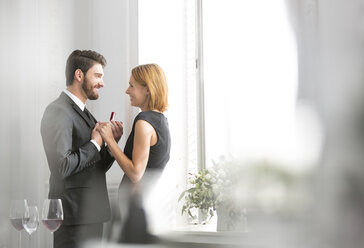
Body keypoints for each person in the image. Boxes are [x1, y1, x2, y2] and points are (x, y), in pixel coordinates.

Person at [40, 49, 123, 248]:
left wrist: (111, 145)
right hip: (73, 218)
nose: (102, 83)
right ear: (79, 75)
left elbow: (94, 167)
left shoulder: (85, 113)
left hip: (91, 214)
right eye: (98, 76)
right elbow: (62, 166)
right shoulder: (57, 111)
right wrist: (95, 143)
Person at [97, 64, 171, 241]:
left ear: (147, 89)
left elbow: (136, 173)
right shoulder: (161, 121)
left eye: (132, 85)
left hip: (133, 210)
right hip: (143, 209)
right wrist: (114, 142)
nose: (127, 91)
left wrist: (108, 140)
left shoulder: (143, 123)